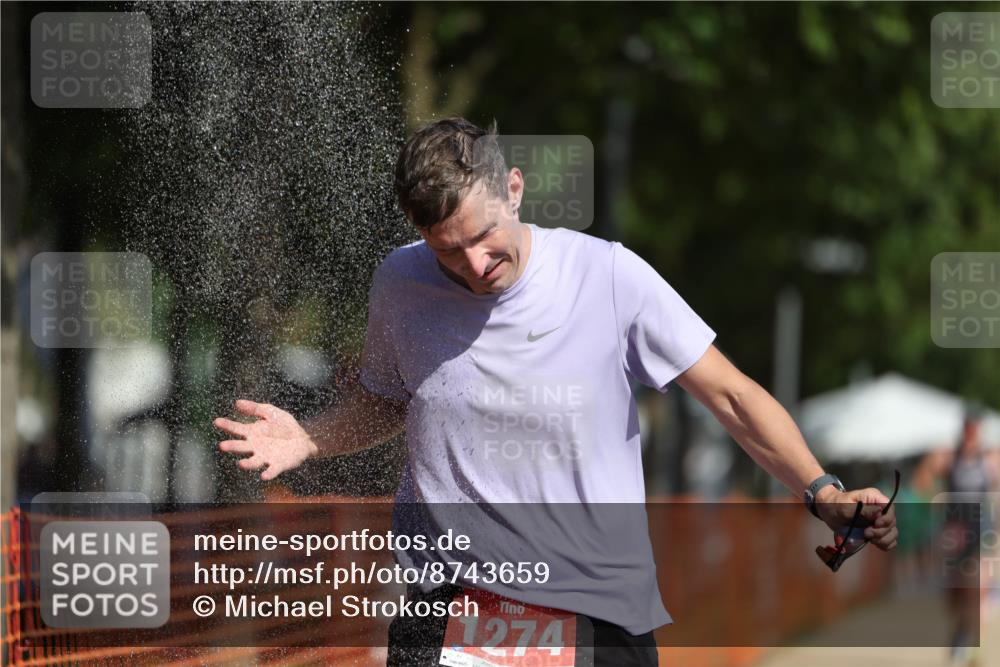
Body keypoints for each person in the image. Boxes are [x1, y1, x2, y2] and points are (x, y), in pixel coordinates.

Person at [213, 117, 898, 666]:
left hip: (592, 607)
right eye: (449, 250)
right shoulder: (401, 282)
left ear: (514, 188)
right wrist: (310, 436)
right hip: (445, 602)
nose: (476, 266)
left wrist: (824, 490)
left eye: (484, 237)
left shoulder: (608, 277)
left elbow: (730, 395)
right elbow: (389, 398)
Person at [943, 404, 999, 666]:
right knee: (960, 594)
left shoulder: (990, 459)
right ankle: (961, 635)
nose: (972, 430)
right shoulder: (948, 457)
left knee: (980, 591)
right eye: (969, 425)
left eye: (975, 425)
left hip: (981, 531)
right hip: (956, 534)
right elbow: (923, 481)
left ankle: (974, 649)